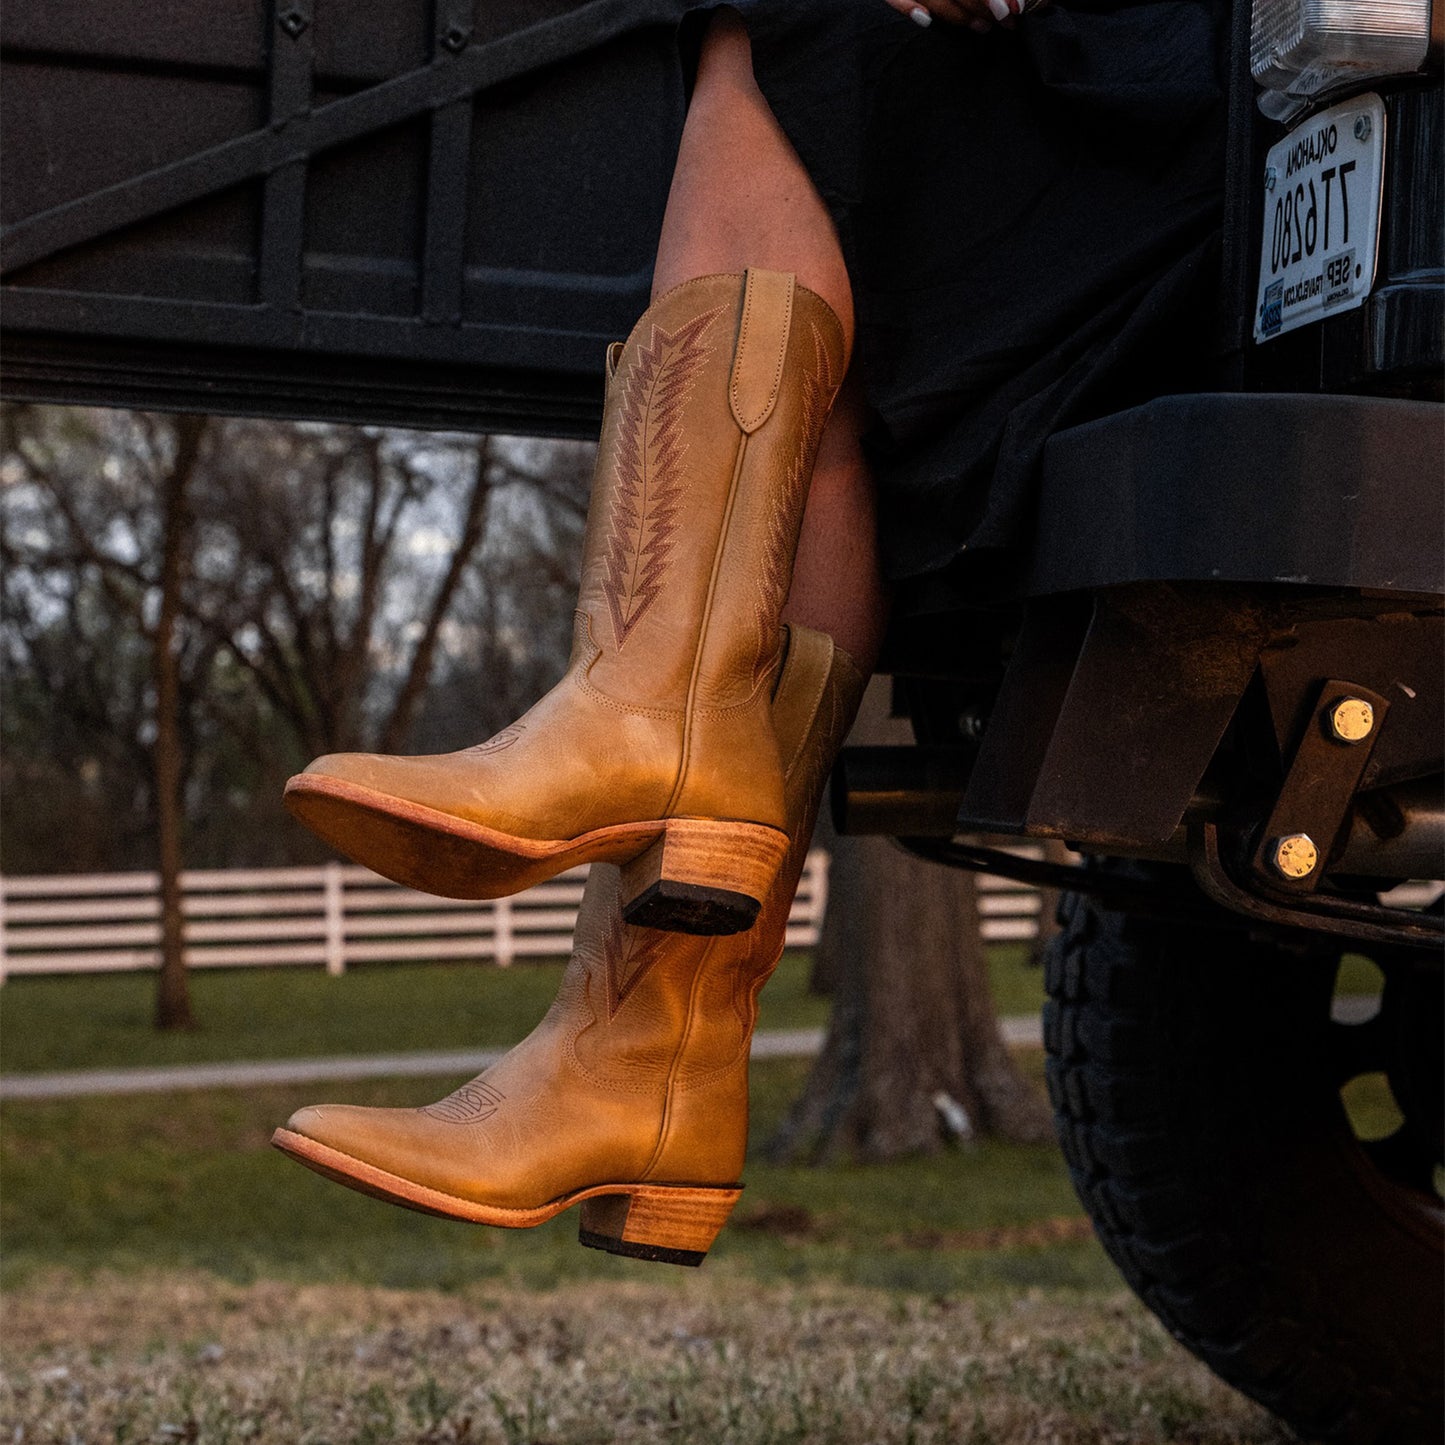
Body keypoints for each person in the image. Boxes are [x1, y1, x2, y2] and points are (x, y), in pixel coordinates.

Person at [272, 0, 1230, 1264]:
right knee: (813, 381)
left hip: (1234, 101)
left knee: (766, 31)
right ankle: (646, 1033)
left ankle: (647, 930)